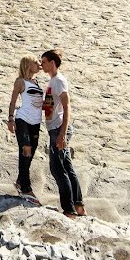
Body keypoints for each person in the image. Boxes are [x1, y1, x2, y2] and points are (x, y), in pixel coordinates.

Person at [40, 48, 86, 218]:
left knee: (57, 169)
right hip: (55, 128)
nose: (41, 64)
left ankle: (69, 210)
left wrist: (62, 134)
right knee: (67, 166)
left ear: (52, 63)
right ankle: (79, 206)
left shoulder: (58, 81)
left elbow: (67, 107)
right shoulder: (53, 81)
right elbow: (50, 107)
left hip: (59, 129)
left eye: (44, 61)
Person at [7, 55, 43, 205]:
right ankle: (26, 188)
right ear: (28, 65)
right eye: (36, 63)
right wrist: (10, 119)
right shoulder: (20, 81)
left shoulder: (36, 82)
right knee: (26, 150)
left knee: (31, 153)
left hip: (36, 122)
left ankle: (20, 181)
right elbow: (13, 101)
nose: (39, 64)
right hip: (23, 120)